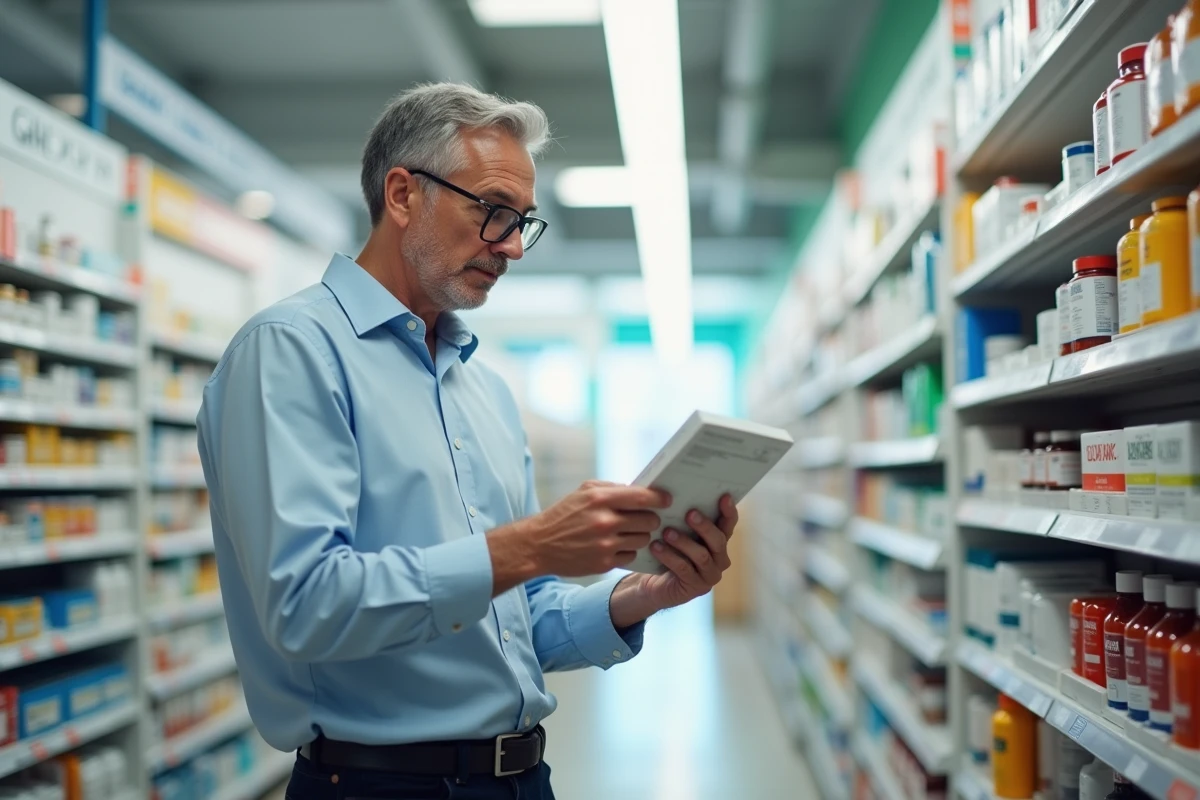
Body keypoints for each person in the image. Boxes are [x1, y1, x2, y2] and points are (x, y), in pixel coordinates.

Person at [196, 82, 738, 800]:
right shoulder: (291, 353)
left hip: (519, 781)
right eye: (493, 211)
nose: (513, 246)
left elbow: (520, 622)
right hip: (376, 785)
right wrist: (533, 544)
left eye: (523, 223)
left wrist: (645, 593)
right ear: (401, 195)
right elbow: (305, 606)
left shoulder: (483, 391)